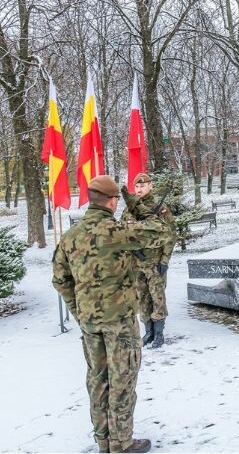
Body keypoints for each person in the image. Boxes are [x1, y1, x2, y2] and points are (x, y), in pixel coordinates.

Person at [52, 175, 173, 453]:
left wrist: (80, 311)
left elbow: (60, 280)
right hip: (119, 322)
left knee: (98, 379)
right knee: (122, 379)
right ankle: (122, 443)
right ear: (112, 201)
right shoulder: (117, 232)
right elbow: (162, 231)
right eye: (118, 199)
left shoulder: (71, 237)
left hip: (90, 324)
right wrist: (139, 205)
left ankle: (104, 441)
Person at [121, 173, 176, 349]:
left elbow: (170, 235)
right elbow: (121, 231)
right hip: (136, 262)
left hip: (155, 262)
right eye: (136, 186)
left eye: (142, 186)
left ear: (150, 186)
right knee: (142, 297)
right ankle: (148, 331)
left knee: (157, 296)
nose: (139, 189)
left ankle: (159, 332)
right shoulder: (129, 209)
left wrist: (165, 260)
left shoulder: (160, 208)